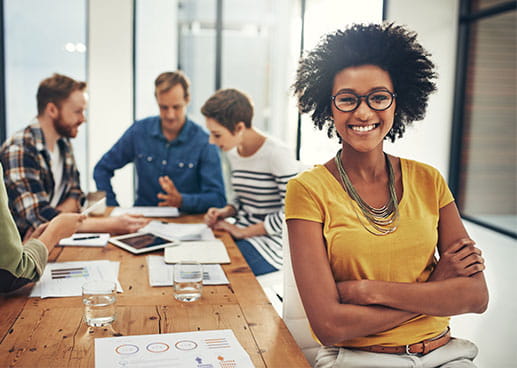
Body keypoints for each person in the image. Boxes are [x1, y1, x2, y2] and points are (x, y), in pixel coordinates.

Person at [285, 23, 489, 368]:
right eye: (347, 99)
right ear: (329, 106)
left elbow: (475, 296)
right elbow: (330, 325)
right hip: (360, 358)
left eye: (378, 97)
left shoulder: (429, 180)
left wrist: (368, 291)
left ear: (398, 103)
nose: (363, 113)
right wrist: (435, 287)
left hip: (447, 354)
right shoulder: (307, 190)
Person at [0, 73, 149, 238]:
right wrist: (112, 224)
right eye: (78, 112)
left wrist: (57, 219)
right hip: (24, 252)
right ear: (52, 110)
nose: (82, 119)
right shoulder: (19, 150)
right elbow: (40, 218)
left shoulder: (63, 142)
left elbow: (76, 192)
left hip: (54, 241)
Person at [93, 71, 226, 213]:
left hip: (186, 222)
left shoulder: (204, 142)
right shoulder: (139, 131)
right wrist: (113, 208)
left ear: (187, 100)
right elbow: (101, 169)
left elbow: (218, 199)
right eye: (164, 107)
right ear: (157, 100)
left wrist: (182, 201)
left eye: (176, 107)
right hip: (141, 220)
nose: (170, 115)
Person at [201, 89, 299, 276]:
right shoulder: (233, 153)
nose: (212, 141)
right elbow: (242, 198)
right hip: (239, 233)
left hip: (271, 245)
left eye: (217, 135)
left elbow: (294, 211)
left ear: (239, 128)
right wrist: (226, 211)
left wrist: (243, 232)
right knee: (194, 259)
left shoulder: (277, 154)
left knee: (215, 272)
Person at [0, 161, 85, 293]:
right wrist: (54, 231)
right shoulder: (19, 149)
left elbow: (76, 192)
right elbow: (10, 274)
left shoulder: (65, 146)